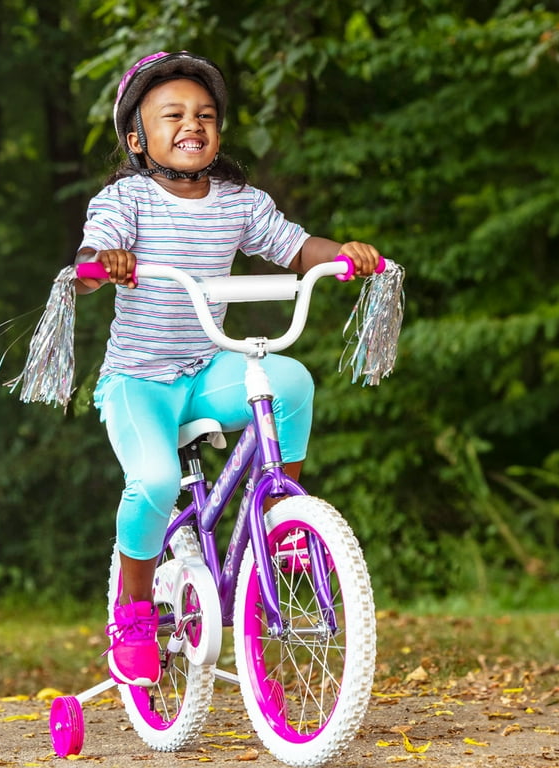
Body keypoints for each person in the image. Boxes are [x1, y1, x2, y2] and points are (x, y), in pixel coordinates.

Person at [74, 51, 381, 687]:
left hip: (206, 363)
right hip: (140, 380)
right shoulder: (126, 199)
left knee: (291, 381)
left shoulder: (240, 202)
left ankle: (279, 525)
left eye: (206, 114)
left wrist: (342, 254)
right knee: (155, 482)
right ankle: (132, 612)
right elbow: (92, 254)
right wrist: (105, 261)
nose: (193, 124)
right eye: (174, 115)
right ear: (138, 138)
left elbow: (295, 247)